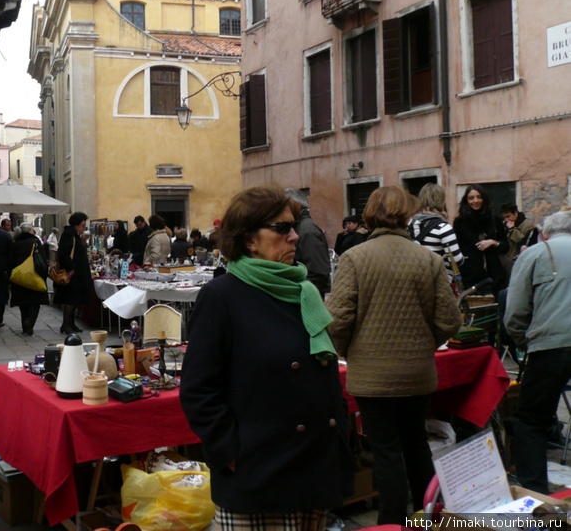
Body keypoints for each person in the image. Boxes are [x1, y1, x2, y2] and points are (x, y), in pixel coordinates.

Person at [180, 185, 354, 529]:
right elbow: (198, 390)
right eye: (281, 228)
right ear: (249, 240)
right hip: (258, 475)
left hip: (312, 468)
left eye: (293, 228)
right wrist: (231, 454)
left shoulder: (304, 291)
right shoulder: (221, 296)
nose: (293, 237)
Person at [327, 186, 462, 524]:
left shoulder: (355, 258)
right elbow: (449, 320)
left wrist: (349, 351)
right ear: (408, 214)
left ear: (370, 215)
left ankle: (391, 522)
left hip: (372, 376)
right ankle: (428, 518)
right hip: (417, 373)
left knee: (386, 450)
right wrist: (422, 345)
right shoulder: (428, 259)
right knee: (416, 443)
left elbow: (338, 319)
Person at [504, 210, 571, 494]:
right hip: (553, 343)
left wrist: (524, 342)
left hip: (552, 345)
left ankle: (534, 493)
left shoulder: (535, 253)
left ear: (544, 233)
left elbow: (515, 314)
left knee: (530, 418)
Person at [453, 184, 509, 293]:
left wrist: (493, 242)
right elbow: (457, 249)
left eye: (479, 197)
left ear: (484, 199)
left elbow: (506, 246)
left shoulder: (495, 219)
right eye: (471, 198)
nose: (475, 201)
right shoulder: (459, 222)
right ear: (466, 201)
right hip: (470, 277)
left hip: (495, 277)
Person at [408, 183, 464, 275]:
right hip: (437, 280)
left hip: (414, 278)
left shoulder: (408, 224)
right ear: (442, 202)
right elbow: (456, 260)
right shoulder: (443, 228)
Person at [286, 189, 332, 296]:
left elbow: (318, 272)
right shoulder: (300, 227)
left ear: (297, 206)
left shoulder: (307, 230)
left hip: (308, 296)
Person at [54, 211, 93, 334]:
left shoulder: (74, 235)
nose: (84, 228)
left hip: (76, 275)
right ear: (75, 225)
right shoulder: (68, 235)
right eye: (82, 225)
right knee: (70, 300)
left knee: (74, 300)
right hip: (72, 275)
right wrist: (72, 268)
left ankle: (71, 324)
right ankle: (66, 325)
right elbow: (64, 254)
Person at [10, 223, 49, 335]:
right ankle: (29, 322)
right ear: (30, 231)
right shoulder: (35, 242)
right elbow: (42, 259)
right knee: (34, 303)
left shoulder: (15, 243)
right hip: (34, 276)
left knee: (23, 303)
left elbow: (10, 260)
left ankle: (24, 325)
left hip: (19, 278)